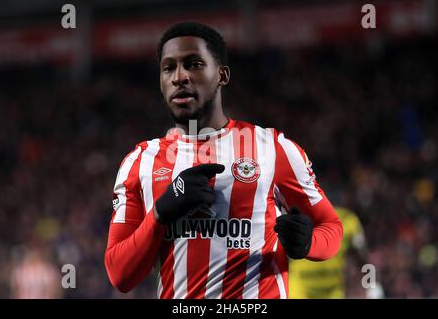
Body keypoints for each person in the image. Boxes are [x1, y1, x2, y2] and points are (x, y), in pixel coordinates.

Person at [104, 22, 343, 299]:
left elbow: (332, 228)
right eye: (168, 68)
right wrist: (161, 212)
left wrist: (308, 243)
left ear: (222, 75)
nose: (179, 77)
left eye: (193, 64)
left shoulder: (274, 149)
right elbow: (120, 274)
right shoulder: (140, 162)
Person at [288, 206, 384, 299]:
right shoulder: (298, 215)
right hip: (300, 289)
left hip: (332, 292)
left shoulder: (349, 221)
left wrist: (372, 284)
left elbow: (362, 258)